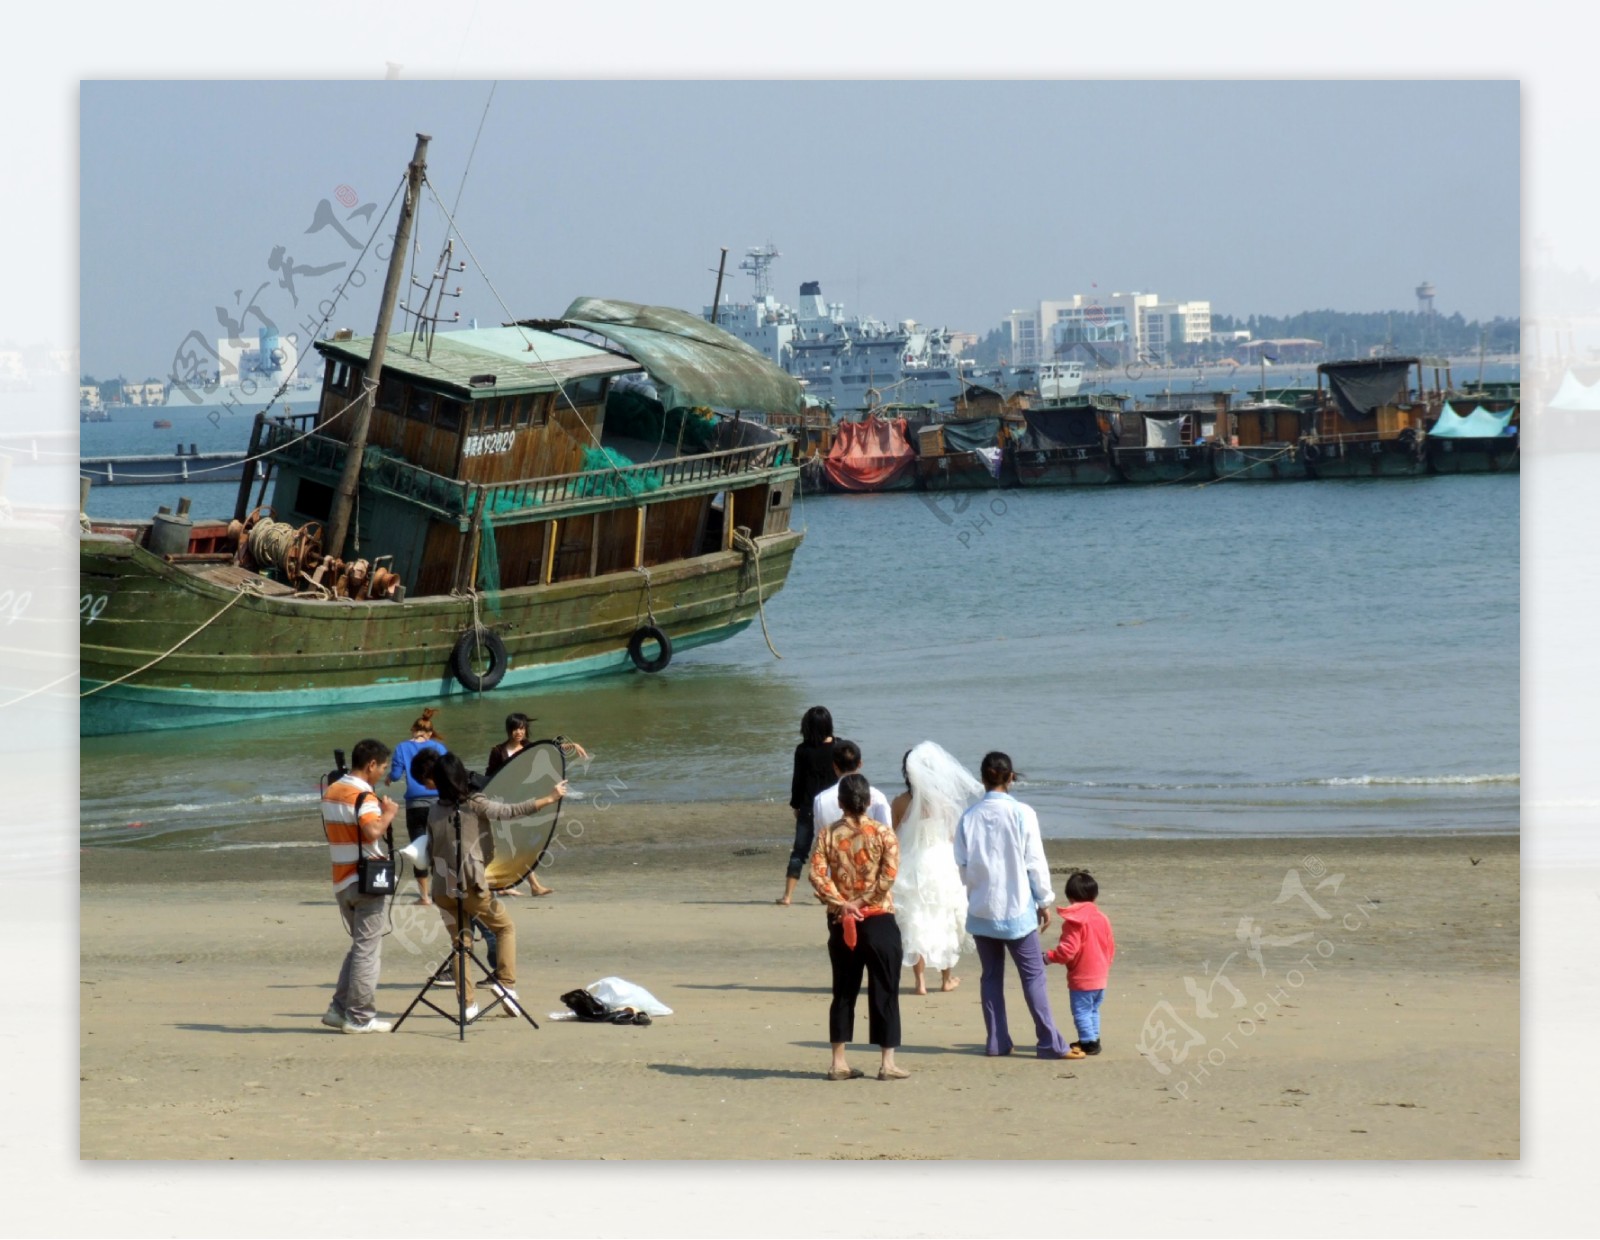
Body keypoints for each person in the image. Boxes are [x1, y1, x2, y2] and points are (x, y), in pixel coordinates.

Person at [424, 751, 568, 1020]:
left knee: (461, 945)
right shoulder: (474, 803)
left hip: (443, 888)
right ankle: (507, 987)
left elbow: (430, 849)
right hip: (472, 886)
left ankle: (466, 1006)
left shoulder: (433, 810)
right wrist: (549, 798)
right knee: (505, 928)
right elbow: (509, 812)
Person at [952, 751, 1071, 1059]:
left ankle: (997, 1040)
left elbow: (962, 866)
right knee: (1032, 975)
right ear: (1010, 777)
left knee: (991, 975)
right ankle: (1049, 1041)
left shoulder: (969, 816)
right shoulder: (1022, 813)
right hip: (1016, 906)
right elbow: (1034, 862)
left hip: (982, 907)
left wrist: (978, 888)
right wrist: (1044, 899)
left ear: (983, 778)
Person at [809, 773, 908, 1081]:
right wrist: (863, 901)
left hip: (841, 919)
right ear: (867, 802)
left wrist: (843, 903)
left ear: (840, 803)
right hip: (878, 917)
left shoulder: (828, 835)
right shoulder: (883, 835)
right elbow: (888, 876)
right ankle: (887, 1062)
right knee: (885, 989)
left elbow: (817, 875)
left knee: (844, 990)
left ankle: (839, 1061)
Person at [321, 738, 400, 1034]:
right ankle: (360, 1017)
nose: (383, 772)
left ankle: (338, 1010)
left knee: (360, 947)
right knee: (368, 951)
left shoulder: (332, 791)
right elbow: (371, 831)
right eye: (383, 767)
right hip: (365, 879)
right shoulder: (363, 796)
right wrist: (389, 813)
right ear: (370, 765)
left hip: (342, 878)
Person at [891, 742, 982, 996]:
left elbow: (894, 836)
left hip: (912, 863)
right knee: (945, 918)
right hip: (940, 862)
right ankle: (946, 979)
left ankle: (919, 982)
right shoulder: (943, 802)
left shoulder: (899, 802)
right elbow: (953, 837)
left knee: (916, 920)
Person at [485, 713, 589, 898]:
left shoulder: (529, 748)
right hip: (505, 804)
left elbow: (553, 750)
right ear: (509, 730)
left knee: (519, 844)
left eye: (522, 728)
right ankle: (523, 885)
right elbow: (490, 778)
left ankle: (512, 884)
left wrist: (573, 746)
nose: (519, 732)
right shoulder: (498, 751)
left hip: (526, 802)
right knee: (510, 844)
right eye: (516, 728)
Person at [1043, 870, 1116, 1059]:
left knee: (1081, 1011)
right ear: (1094, 895)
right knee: (1093, 1009)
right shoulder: (1103, 918)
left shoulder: (1074, 922)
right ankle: (1093, 1039)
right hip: (1101, 975)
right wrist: (1105, 966)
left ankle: (1087, 1042)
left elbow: (1068, 951)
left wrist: (1049, 957)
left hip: (1082, 977)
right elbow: (1110, 947)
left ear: (1070, 898)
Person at [387, 707, 447, 905]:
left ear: (413, 730)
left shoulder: (402, 747)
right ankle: (442, 891)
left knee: (418, 847)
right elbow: (449, 769)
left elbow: (396, 775)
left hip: (415, 805)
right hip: (439, 802)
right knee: (441, 846)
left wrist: (388, 778)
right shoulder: (439, 748)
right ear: (430, 733)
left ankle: (424, 896)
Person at [778, 705, 835, 906]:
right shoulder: (839, 746)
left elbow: (798, 781)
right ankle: (828, 893)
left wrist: (796, 805)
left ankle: (788, 896)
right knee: (833, 850)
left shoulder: (803, 750)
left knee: (800, 851)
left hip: (809, 806)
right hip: (834, 807)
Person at [810, 739, 892, 837]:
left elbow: (819, 839)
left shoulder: (820, 800)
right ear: (860, 763)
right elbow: (887, 835)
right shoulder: (878, 797)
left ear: (834, 766)